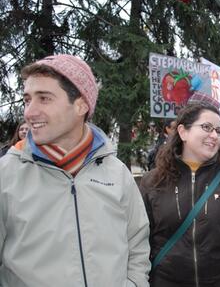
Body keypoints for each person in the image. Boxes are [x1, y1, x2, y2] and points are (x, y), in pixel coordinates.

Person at [0, 54, 150, 286]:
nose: (30, 112)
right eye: (27, 100)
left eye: (44, 98)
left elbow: (137, 245)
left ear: (81, 105)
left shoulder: (117, 173)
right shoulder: (6, 175)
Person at [139, 102, 220, 287]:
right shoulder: (153, 181)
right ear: (183, 132)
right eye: (206, 127)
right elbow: (139, 244)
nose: (214, 135)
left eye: (218, 130)